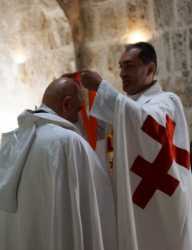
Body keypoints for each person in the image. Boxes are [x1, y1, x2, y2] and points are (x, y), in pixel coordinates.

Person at [80, 42, 192, 250]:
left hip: (162, 200)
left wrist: (102, 88)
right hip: (130, 196)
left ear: (150, 69)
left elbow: (150, 125)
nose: (122, 73)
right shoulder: (123, 109)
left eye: (129, 66)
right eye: (121, 67)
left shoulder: (166, 101)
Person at [0, 76, 116, 250]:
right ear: (67, 104)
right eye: (78, 110)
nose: (79, 117)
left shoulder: (11, 143)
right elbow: (97, 205)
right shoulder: (69, 142)